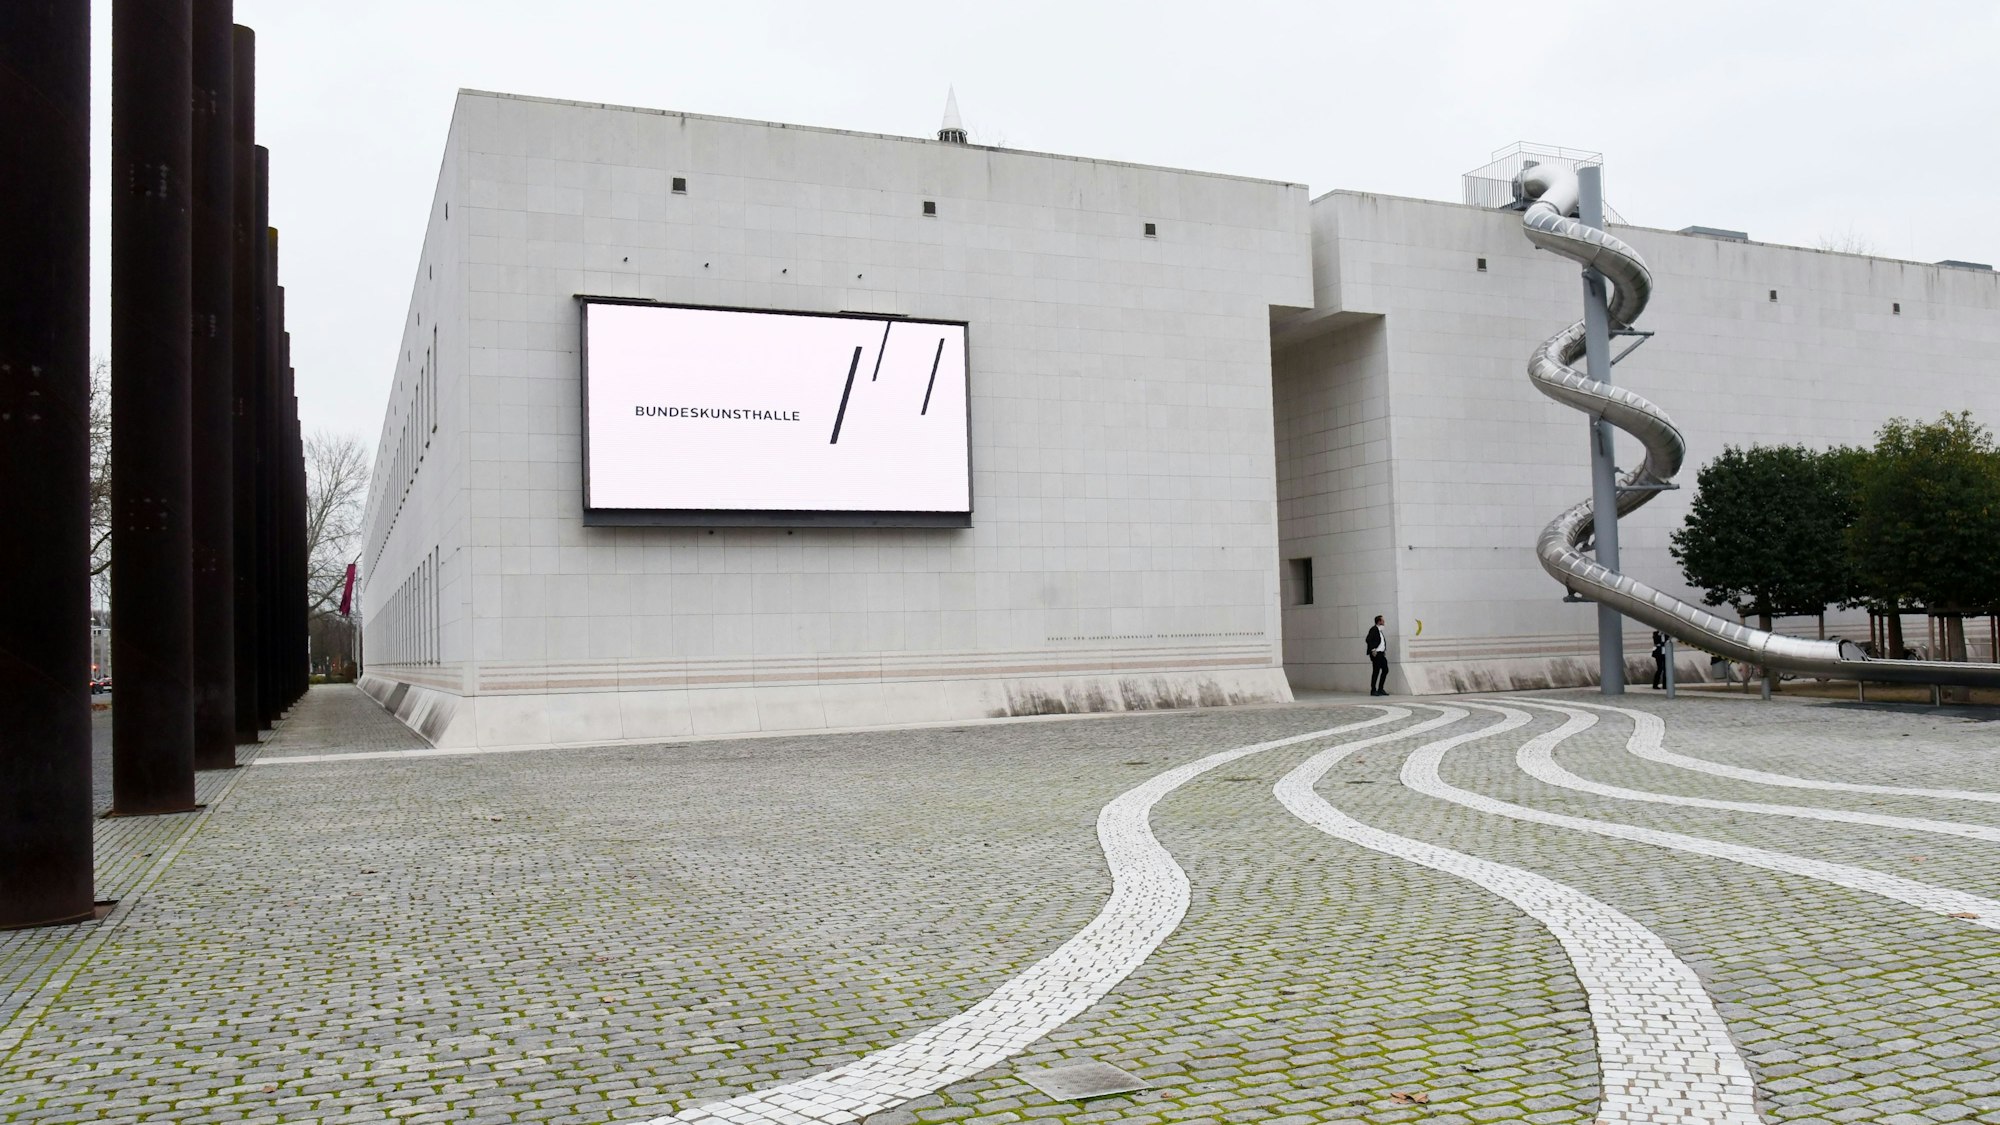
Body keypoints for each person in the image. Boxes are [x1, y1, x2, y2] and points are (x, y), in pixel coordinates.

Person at [1366, 615, 1389, 696]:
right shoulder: (1374, 629)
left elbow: (1381, 641)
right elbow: (1368, 639)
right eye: (1383, 621)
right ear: (1379, 621)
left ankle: (1380, 688)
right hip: (1376, 654)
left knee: (1385, 670)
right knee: (1376, 671)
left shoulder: (1380, 630)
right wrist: (1372, 649)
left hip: (1381, 654)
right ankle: (1373, 690)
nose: (1384, 622)